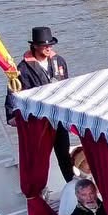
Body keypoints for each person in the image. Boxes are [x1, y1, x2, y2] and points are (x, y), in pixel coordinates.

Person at [6, 27, 73, 181]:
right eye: (45, 45)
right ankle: (38, 188)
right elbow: (13, 92)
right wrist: (11, 115)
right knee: (38, 157)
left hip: (59, 117)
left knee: (64, 153)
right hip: (38, 120)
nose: (49, 48)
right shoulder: (23, 69)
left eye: (50, 45)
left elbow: (67, 85)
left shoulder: (59, 61)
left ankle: (70, 182)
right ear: (35, 46)